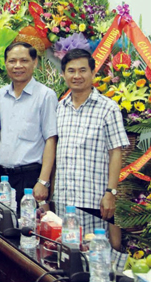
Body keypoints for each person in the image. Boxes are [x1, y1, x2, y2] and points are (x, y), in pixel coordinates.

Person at [54, 48, 129, 245]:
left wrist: (111, 192)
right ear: (63, 74)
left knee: (95, 254)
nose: (77, 76)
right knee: (66, 252)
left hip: (94, 199)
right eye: (71, 71)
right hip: (64, 200)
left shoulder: (108, 108)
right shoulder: (59, 108)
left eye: (82, 70)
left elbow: (116, 153)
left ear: (93, 73)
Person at [0, 42, 58, 207]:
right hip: (1, 178)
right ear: (5, 63)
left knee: (28, 222)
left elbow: (51, 140)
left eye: (24, 60)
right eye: (12, 61)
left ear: (34, 62)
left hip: (30, 177)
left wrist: (43, 181)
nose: (17, 66)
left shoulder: (46, 96)